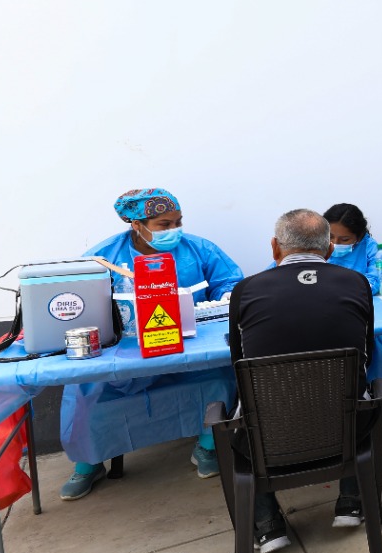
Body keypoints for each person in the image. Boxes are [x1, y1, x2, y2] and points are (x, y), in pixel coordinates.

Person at [59, 188, 244, 501]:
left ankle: (207, 447)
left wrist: (227, 297)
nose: (174, 230)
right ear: (137, 225)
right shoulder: (104, 259)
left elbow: (230, 280)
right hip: (127, 349)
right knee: (86, 387)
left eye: (178, 222)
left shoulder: (198, 249)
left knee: (222, 374)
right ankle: (88, 462)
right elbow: (80, 299)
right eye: (164, 224)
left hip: (190, 345)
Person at [227, 209, 380, 553]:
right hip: (345, 428)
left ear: (274, 248)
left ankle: (267, 526)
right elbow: (366, 353)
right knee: (358, 394)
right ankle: (351, 502)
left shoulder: (247, 291)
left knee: (243, 409)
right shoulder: (356, 284)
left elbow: (239, 362)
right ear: (328, 249)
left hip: (269, 436)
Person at [323, 203, 382, 415]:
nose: (335, 244)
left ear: (358, 236)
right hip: (325, 313)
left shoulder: (370, 247)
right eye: (331, 237)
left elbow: (376, 280)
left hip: (361, 311)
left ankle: (381, 405)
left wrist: (348, 289)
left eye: (345, 240)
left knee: (377, 350)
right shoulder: (315, 246)